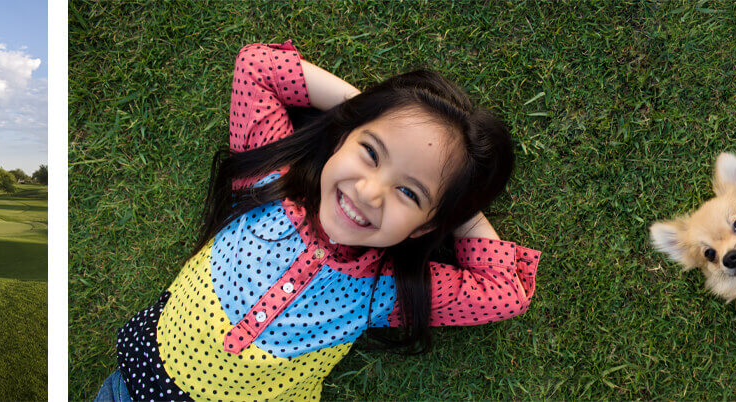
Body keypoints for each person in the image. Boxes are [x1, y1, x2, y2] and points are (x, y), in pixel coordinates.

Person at [96, 41, 541, 401]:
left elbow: (507, 292)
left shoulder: (384, 290)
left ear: (424, 227)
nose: (369, 192)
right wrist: (369, 108)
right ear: (342, 137)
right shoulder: (270, 178)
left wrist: (456, 208)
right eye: (370, 152)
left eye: (408, 192)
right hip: (126, 385)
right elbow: (257, 67)